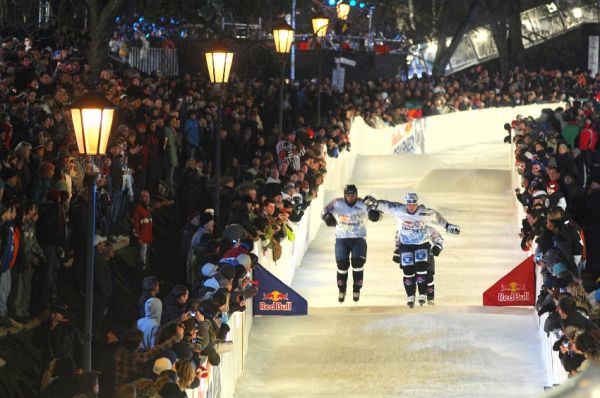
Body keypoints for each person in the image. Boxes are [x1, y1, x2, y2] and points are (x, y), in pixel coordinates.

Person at [366, 192, 460, 307]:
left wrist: (447, 226)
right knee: (408, 272)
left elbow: (436, 217)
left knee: (422, 270)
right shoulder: (399, 210)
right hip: (406, 245)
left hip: (421, 244)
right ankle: (410, 296)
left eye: (414, 204)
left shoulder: (424, 212)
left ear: (417, 203)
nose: (411, 207)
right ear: (406, 204)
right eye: (409, 204)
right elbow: (387, 206)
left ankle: (423, 294)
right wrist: (374, 205)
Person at [321, 184, 375, 303]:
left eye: (353, 195)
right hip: (342, 237)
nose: (351, 197)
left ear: (357, 195)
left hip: (358, 237)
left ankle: (357, 289)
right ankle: (342, 289)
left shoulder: (362, 204)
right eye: (348, 195)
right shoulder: (337, 203)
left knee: (358, 263)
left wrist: (374, 215)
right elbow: (324, 210)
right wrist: (326, 217)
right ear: (344, 195)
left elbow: (375, 213)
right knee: (342, 264)